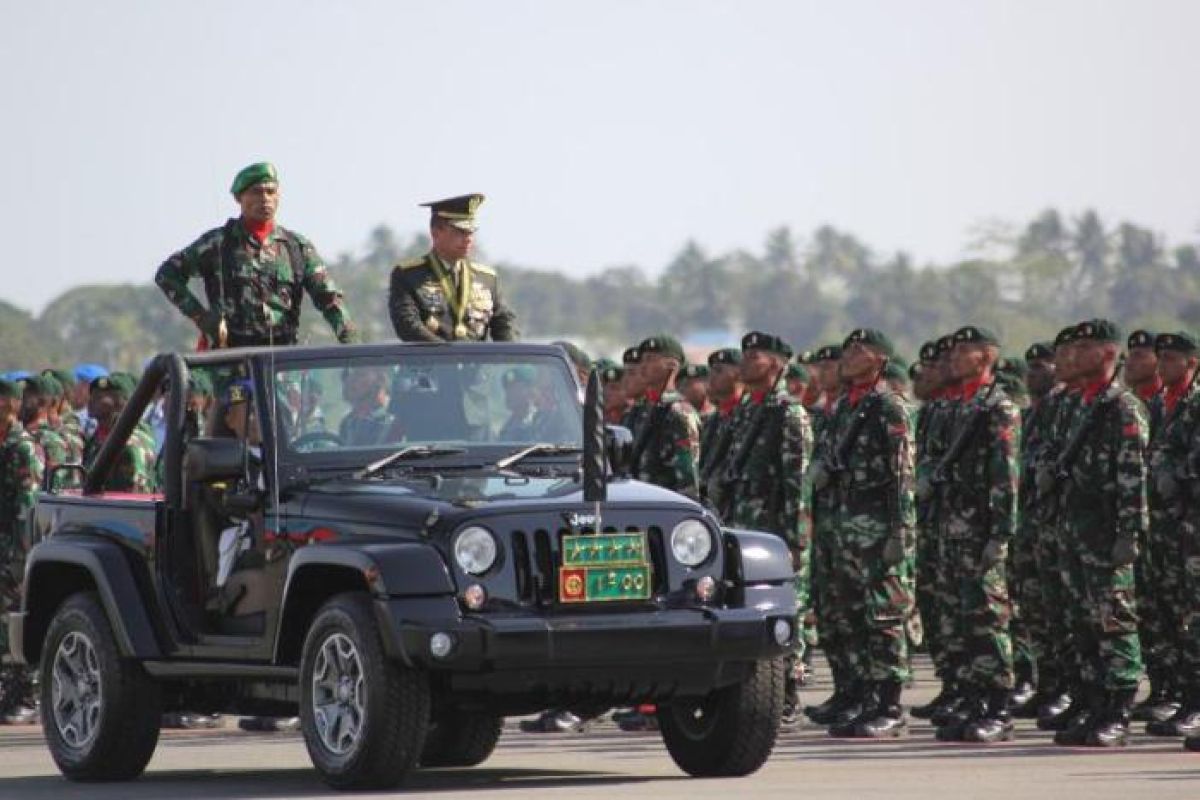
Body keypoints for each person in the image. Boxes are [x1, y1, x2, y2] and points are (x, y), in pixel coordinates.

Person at [810, 328, 916, 738]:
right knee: (849, 615)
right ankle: (861, 695)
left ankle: (889, 703)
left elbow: (901, 476)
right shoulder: (843, 409)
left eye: (859, 350)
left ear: (880, 360)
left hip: (876, 530)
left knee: (883, 617)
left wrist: (899, 534)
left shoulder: (889, 408)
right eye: (848, 349)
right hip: (842, 528)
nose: (848, 355)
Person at [1051, 319, 1146, 747]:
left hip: (1107, 533)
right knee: (1082, 623)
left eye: (1085, 347)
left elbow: (1133, 477)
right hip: (1076, 529)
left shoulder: (1122, 407)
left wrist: (1130, 533)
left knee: (1113, 622)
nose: (1072, 355)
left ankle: (1118, 711)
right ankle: (1093, 703)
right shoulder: (1080, 404)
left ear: (1108, 354)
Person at [928, 327, 1019, 744]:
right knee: (958, 620)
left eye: (965, 351)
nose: (954, 358)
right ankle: (973, 698)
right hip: (952, 528)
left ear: (986, 358)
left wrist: (1000, 535)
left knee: (987, 618)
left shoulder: (997, 408)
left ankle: (999, 706)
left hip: (980, 530)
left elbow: (1005, 478)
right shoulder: (959, 407)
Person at [155, 162, 359, 348]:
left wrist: (352, 344)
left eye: (271, 192)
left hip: (283, 363)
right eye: (256, 192)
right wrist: (201, 317)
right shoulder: (217, 244)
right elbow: (167, 275)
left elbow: (329, 299)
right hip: (231, 361)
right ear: (239, 198)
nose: (265, 199)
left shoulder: (296, 248)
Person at [722, 332, 812, 726]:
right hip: (743, 524)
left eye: (755, 355)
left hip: (774, 530)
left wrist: (796, 539)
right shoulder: (746, 411)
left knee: (780, 610)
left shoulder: (787, 413)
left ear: (776, 364)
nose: (745, 360)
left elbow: (798, 482)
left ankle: (787, 691)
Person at [1142, 331, 1200, 736]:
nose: (1162, 366)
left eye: (1172, 359)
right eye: (1160, 359)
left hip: (1192, 525)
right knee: (1170, 616)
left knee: (1195, 616)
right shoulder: (1163, 404)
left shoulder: (1195, 404)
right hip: (1164, 528)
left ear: (1192, 363)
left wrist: (1173, 474)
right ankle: (1182, 696)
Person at [389, 194, 518, 342]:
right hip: (431, 362)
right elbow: (408, 326)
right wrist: (448, 357)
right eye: (460, 232)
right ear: (436, 233)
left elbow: (505, 327)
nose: (468, 238)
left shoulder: (487, 278)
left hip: (476, 362)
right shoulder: (409, 275)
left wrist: (513, 361)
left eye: (471, 232)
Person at [0, 378, 44, 724]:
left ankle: (24, 694)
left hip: (18, 545)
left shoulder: (22, 447)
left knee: (15, 615)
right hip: (5, 542)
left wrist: (23, 554)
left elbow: (27, 505)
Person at [630, 336, 701, 500]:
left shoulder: (680, 412)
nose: (643, 365)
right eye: (642, 360)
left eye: (650, 359)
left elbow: (689, 478)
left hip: (665, 504)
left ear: (672, 366)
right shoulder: (640, 410)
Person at [339, 368, 395, 447]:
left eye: (360, 374)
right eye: (346, 375)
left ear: (380, 380)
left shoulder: (398, 417)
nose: (350, 380)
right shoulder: (347, 422)